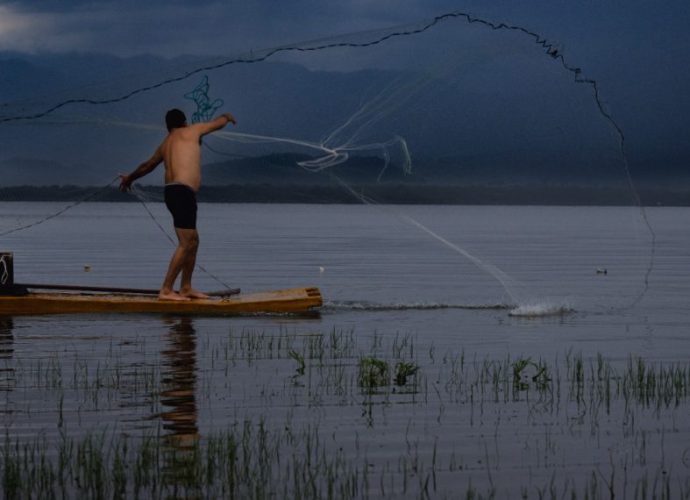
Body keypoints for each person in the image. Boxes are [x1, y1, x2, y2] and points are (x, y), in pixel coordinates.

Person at [119, 108, 236, 301]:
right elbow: (217, 124)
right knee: (186, 242)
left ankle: (186, 287)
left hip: (175, 193)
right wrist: (227, 117)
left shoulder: (166, 143)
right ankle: (166, 290)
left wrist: (130, 178)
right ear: (184, 122)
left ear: (168, 127)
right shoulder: (191, 131)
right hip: (181, 193)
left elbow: (147, 165)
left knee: (194, 240)